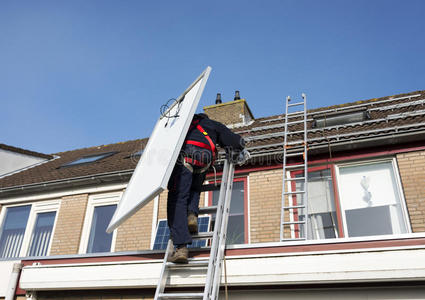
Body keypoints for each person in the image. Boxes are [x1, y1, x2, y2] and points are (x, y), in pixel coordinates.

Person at [167, 113, 246, 263]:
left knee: (177, 199)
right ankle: (192, 215)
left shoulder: (183, 126)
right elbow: (235, 141)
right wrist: (240, 146)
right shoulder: (213, 125)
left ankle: (181, 247)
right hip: (204, 161)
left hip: (186, 158)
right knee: (194, 188)